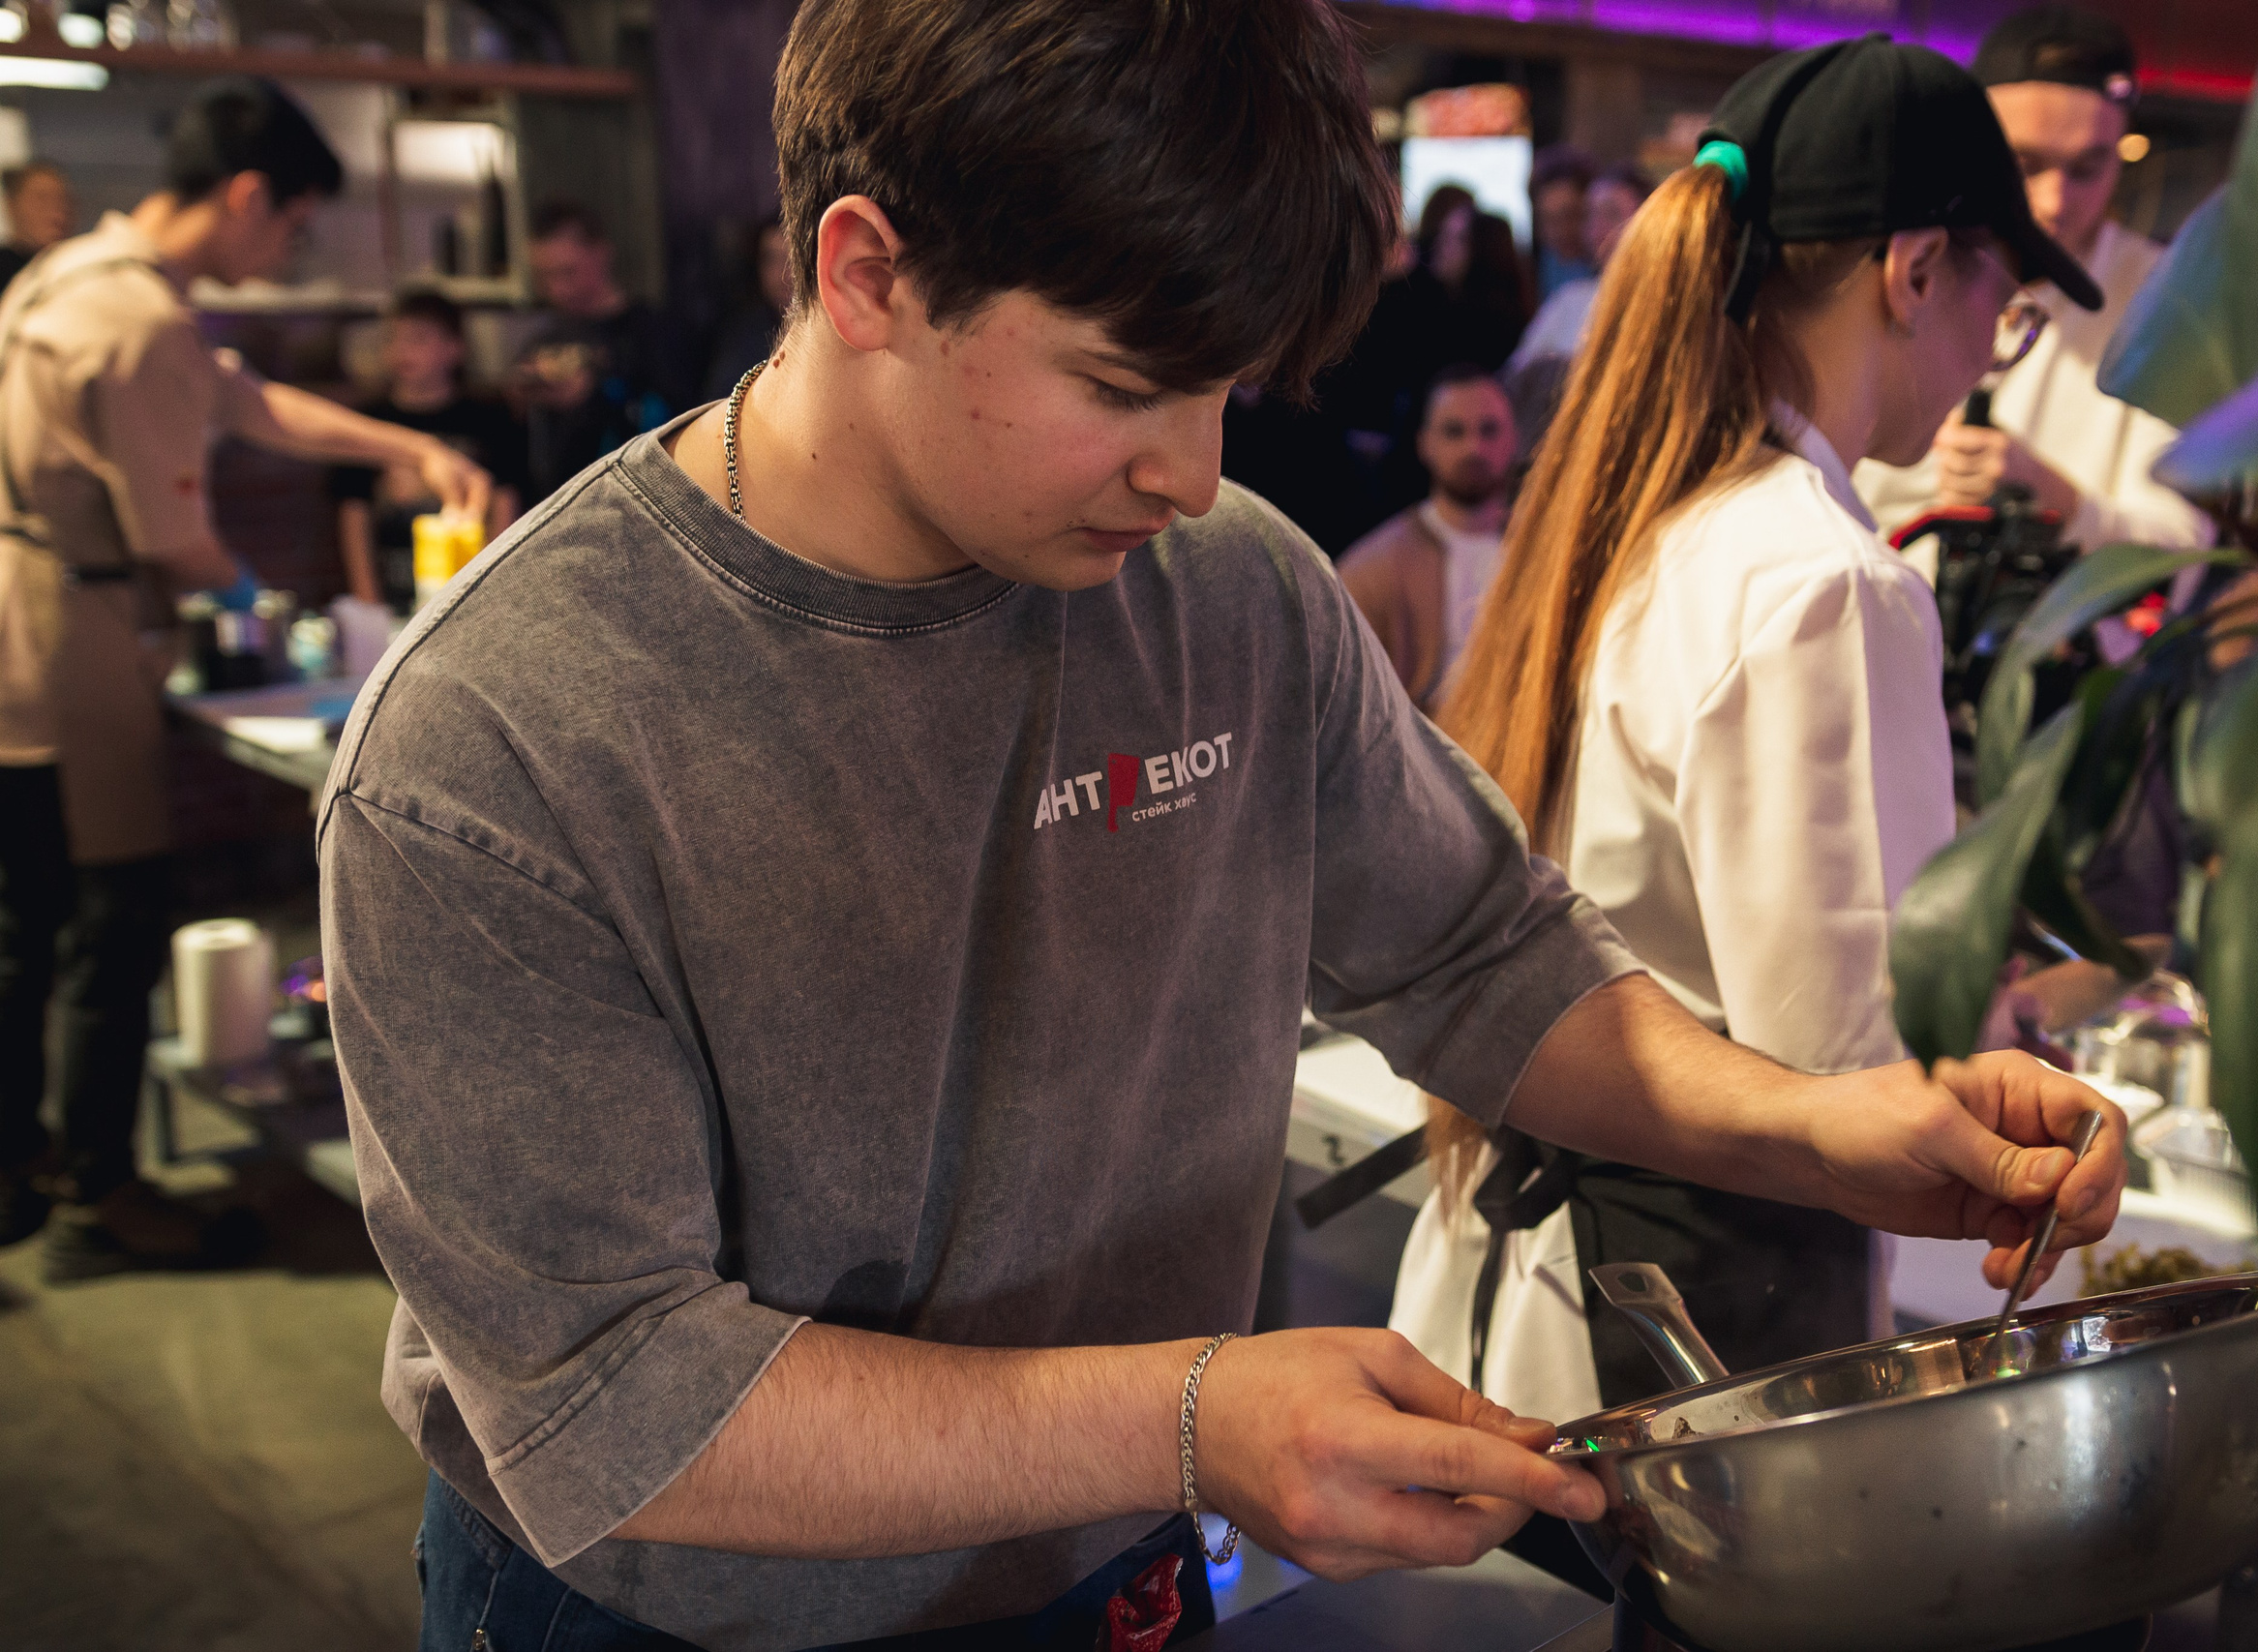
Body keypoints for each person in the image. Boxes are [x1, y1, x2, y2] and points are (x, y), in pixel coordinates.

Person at [318, 7, 2123, 1649]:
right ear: (865, 272)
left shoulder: (1229, 596)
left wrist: (1818, 1129)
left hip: (1113, 1567)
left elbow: (1481, 952)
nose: (1190, 468)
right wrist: (1195, 1411)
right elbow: (615, 1398)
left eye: (1229, 390)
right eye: (1123, 386)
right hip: (683, 1616)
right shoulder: (499, 740)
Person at [1390, 35, 2114, 1583]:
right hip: (1685, 1350)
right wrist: (2040, 1045)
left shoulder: (1656, 510)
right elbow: (1853, 1075)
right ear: (1917, 270)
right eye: (2008, 294)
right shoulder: (1828, 581)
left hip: (1538, 1309)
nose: (1999, 338)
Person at [0, 77, 490, 1276]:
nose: (287, 249)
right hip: (64, 648)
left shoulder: (68, 280)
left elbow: (248, 403)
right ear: (247, 193)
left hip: (32, 622)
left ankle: (34, 1168)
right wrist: (290, 634)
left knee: (36, 918)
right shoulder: (139, 321)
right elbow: (177, 543)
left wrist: (411, 446)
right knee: (100, 923)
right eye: (292, 224)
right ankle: (95, 1195)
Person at [1852, 5, 2211, 564]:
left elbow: (2184, 542)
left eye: (2088, 168)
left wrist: (2057, 500)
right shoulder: (1906, 267)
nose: (2053, 201)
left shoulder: (2168, 296)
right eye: (2024, 164)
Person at [1336, 365, 1518, 710]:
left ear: (1514, 438)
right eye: (1454, 432)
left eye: (1489, 430)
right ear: (1424, 443)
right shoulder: (1373, 570)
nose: (1473, 448)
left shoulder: (1544, 553)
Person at [332, 290, 526, 614]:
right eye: (393, 339)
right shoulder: (370, 423)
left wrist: (493, 594)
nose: (401, 351)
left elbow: (506, 503)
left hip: (471, 591)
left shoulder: (491, 417)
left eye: (418, 340)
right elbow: (353, 513)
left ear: (454, 348)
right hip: (395, 591)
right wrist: (368, 602)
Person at [509, 199, 694, 500]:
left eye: (567, 272)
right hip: (555, 506)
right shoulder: (544, 339)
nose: (557, 289)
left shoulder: (655, 333)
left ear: (602, 254)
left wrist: (594, 396)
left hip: (636, 503)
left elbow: (679, 423)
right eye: (546, 276)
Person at [1503, 164, 1652, 456]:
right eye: (1590, 215)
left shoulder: (1673, 303)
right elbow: (1517, 381)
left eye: (1610, 214)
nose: (1597, 228)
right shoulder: (1570, 300)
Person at [1417, 185, 1532, 372]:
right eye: (1443, 234)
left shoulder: (1485, 327)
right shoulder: (1437, 304)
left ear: (1484, 251)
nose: (1440, 246)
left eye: (1456, 238)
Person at [703, 218, 798, 403]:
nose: (782, 273)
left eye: (790, 258)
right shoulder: (743, 337)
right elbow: (718, 404)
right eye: (771, 259)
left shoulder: (829, 329)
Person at [1528, 144, 1599, 303]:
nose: (1560, 232)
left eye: (1571, 216)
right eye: (1549, 220)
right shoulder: (1547, 262)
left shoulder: (1609, 266)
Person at [0, 161, 75, 292]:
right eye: (41, 199)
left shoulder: (77, 268)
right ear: (11, 205)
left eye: (63, 200)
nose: (57, 213)